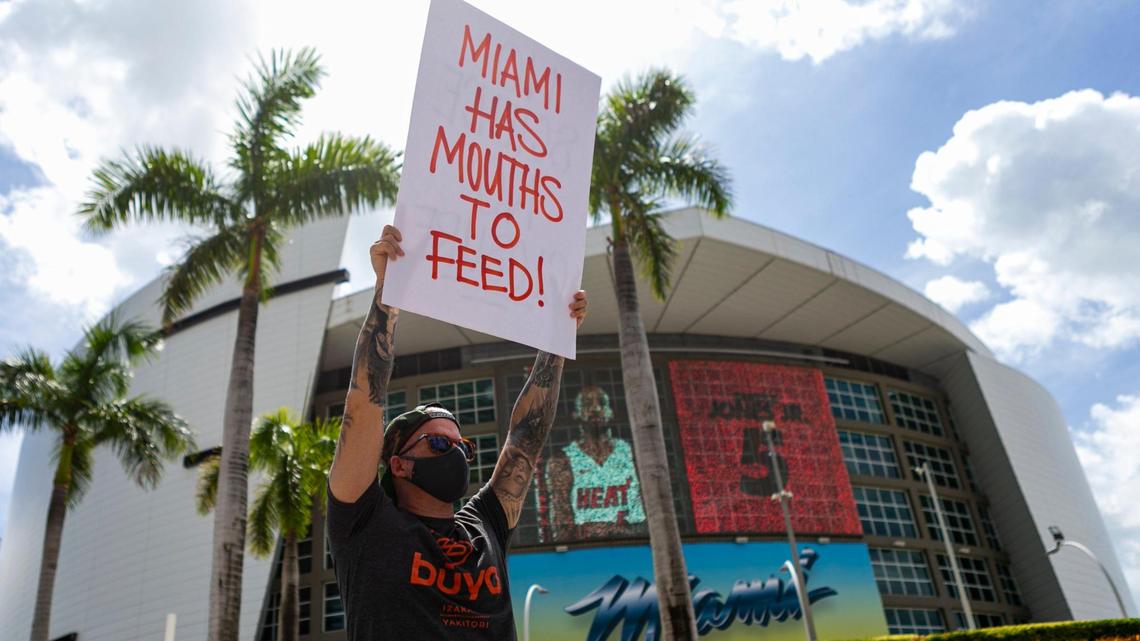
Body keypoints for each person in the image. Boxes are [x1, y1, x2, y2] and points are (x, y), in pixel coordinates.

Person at [326, 224, 588, 640]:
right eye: (437, 443)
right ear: (398, 464)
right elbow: (363, 403)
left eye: (461, 445)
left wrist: (556, 340)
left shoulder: (485, 524)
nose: (456, 453)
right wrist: (387, 295)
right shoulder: (365, 522)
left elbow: (526, 438)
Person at [545, 386, 645, 541]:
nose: (595, 408)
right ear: (576, 413)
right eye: (586, 404)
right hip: (585, 553)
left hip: (633, 547)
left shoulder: (633, 454)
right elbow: (561, 525)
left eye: (602, 403)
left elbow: (651, 513)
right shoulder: (562, 461)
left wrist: (621, 530)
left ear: (611, 412)